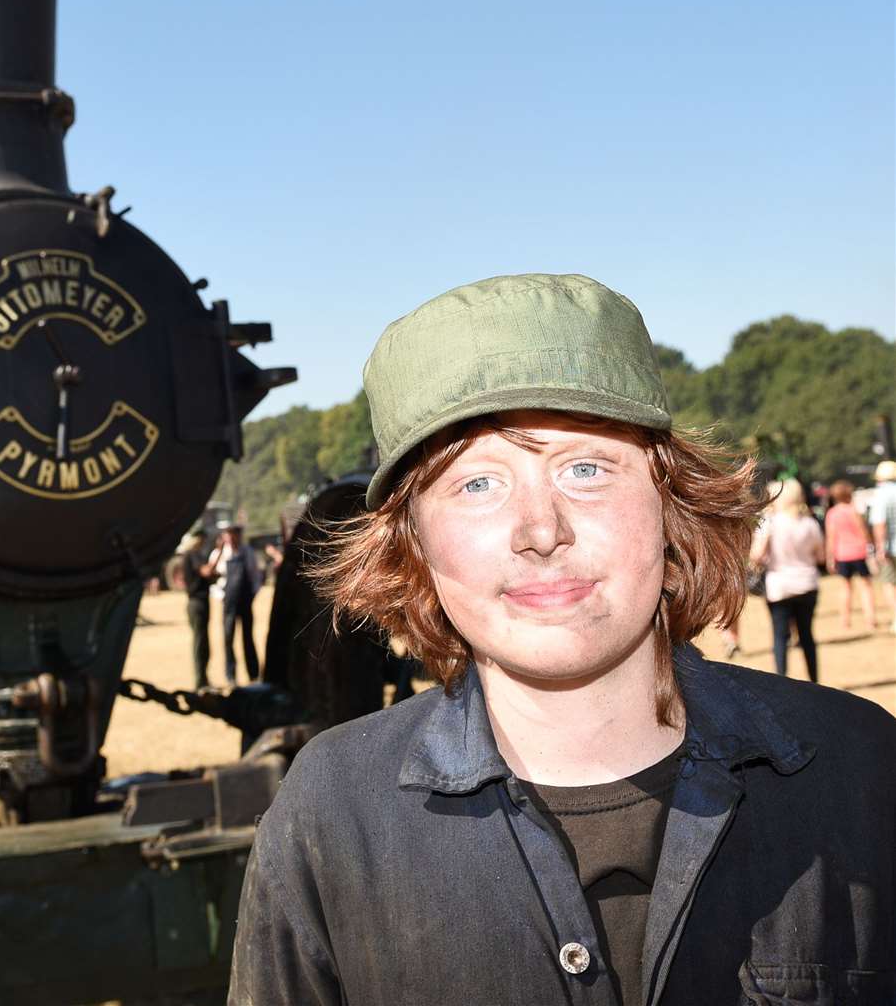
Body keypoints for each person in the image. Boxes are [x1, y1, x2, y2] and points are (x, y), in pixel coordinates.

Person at [229, 274, 893, 1005]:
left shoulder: (862, 771)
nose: (541, 529)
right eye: (476, 484)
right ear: (414, 544)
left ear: (671, 506)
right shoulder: (331, 815)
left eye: (586, 469)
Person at [750, 478, 824, 682]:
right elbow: (821, 557)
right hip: (807, 584)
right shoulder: (809, 522)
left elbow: (756, 555)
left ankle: (781, 680)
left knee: (780, 636)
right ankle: (814, 681)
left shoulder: (770, 523)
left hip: (780, 585)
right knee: (807, 635)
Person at [204, 523, 261, 687]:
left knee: (248, 638)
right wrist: (221, 596)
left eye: (234, 533)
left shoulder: (248, 552)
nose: (232, 537)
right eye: (228, 534)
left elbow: (255, 576)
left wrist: (252, 595)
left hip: (245, 601)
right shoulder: (217, 555)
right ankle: (231, 676)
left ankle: (253, 675)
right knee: (228, 639)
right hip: (228, 602)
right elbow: (213, 581)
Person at [823, 478, 879, 632]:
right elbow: (864, 532)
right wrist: (870, 548)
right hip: (859, 553)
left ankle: (845, 620)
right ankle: (870, 619)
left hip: (842, 555)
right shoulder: (854, 511)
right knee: (866, 586)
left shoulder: (832, 514)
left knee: (846, 588)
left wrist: (830, 558)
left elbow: (831, 538)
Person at [176, 528, 216, 688]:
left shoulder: (192, 555)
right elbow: (206, 571)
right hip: (197, 603)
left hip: (199, 602)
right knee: (200, 644)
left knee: (203, 643)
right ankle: (200, 682)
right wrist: (219, 552)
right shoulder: (192, 555)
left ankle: (203, 679)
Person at [872, 459, 896, 634]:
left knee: (889, 583)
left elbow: (880, 524)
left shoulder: (880, 495)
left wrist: (880, 547)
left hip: (890, 547)